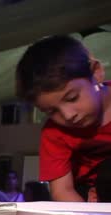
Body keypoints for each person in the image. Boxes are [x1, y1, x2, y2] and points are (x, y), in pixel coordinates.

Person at [15, 35, 111, 201]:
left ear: (96, 73)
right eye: (51, 111)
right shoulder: (54, 133)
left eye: (72, 98)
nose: (68, 115)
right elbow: (62, 191)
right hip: (84, 196)